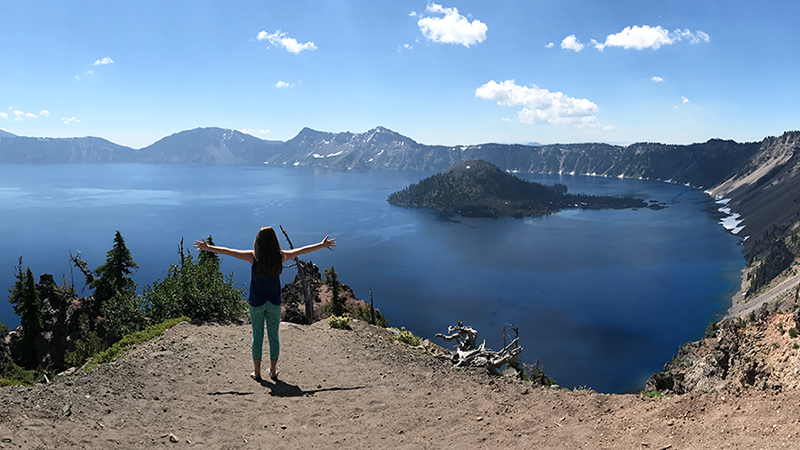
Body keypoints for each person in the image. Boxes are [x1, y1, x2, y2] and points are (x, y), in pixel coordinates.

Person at [193, 227, 336, 381]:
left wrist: (208, 248)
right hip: (274, 303)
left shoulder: (253, 257)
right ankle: (273, 371)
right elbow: (301, 251)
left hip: (256, 303)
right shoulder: (280, 256)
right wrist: (322, 245)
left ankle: (257, 372)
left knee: (257, 336)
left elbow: (229, 251)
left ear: (258, 242)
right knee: (274, 337)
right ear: (275, 241)